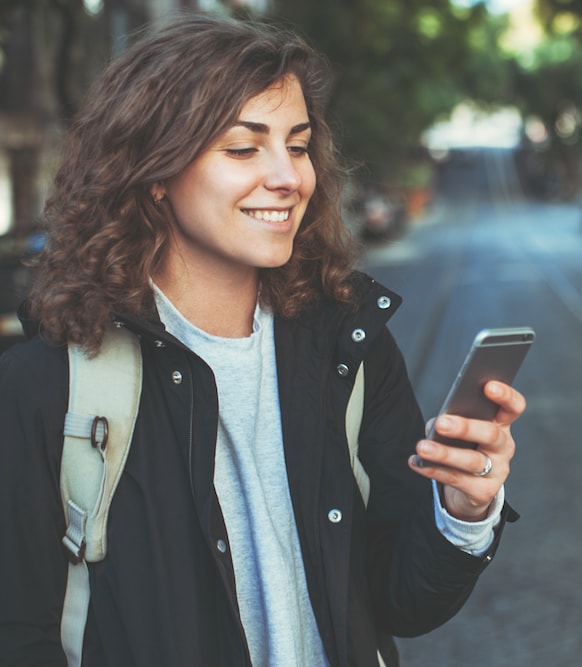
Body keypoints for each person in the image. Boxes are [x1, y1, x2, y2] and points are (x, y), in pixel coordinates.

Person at [0, 12, 524, 667]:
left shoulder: (351, 345)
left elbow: (402, 601)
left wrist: (462, 507)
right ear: (155, 171)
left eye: (297, 145)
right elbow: (20, 632)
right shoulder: (46, 383)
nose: (287, 177)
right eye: (244, 147)